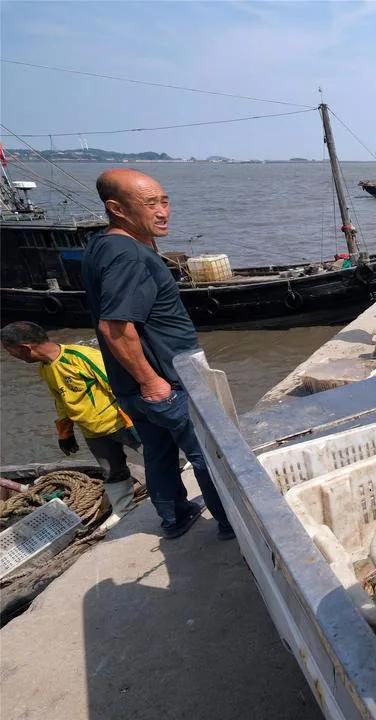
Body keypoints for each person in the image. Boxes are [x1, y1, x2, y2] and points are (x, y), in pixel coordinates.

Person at [82, 168, 233, 541]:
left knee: (159, 451)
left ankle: (174, 516)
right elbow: (115, 327)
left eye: (164, 200)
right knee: (207, 454)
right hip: (164, 380)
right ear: (117, 209)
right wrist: (154, 382)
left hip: (131, 383)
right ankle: (232, 525)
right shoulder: (128, 255)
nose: (163, 211)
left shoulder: (102, 246)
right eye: (150, 203)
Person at [1, 321, 141, 529]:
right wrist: (65, 433)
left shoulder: (81, 356)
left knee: (157, 455)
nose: (10, 356)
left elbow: (115, 384)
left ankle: (180, 484)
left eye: (9, 350)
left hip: (120, 422)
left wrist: (134, 419)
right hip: (92, 431)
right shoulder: (45, 369)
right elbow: (61, 401)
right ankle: (124, 508)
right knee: (111, 471)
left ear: (24, 348)